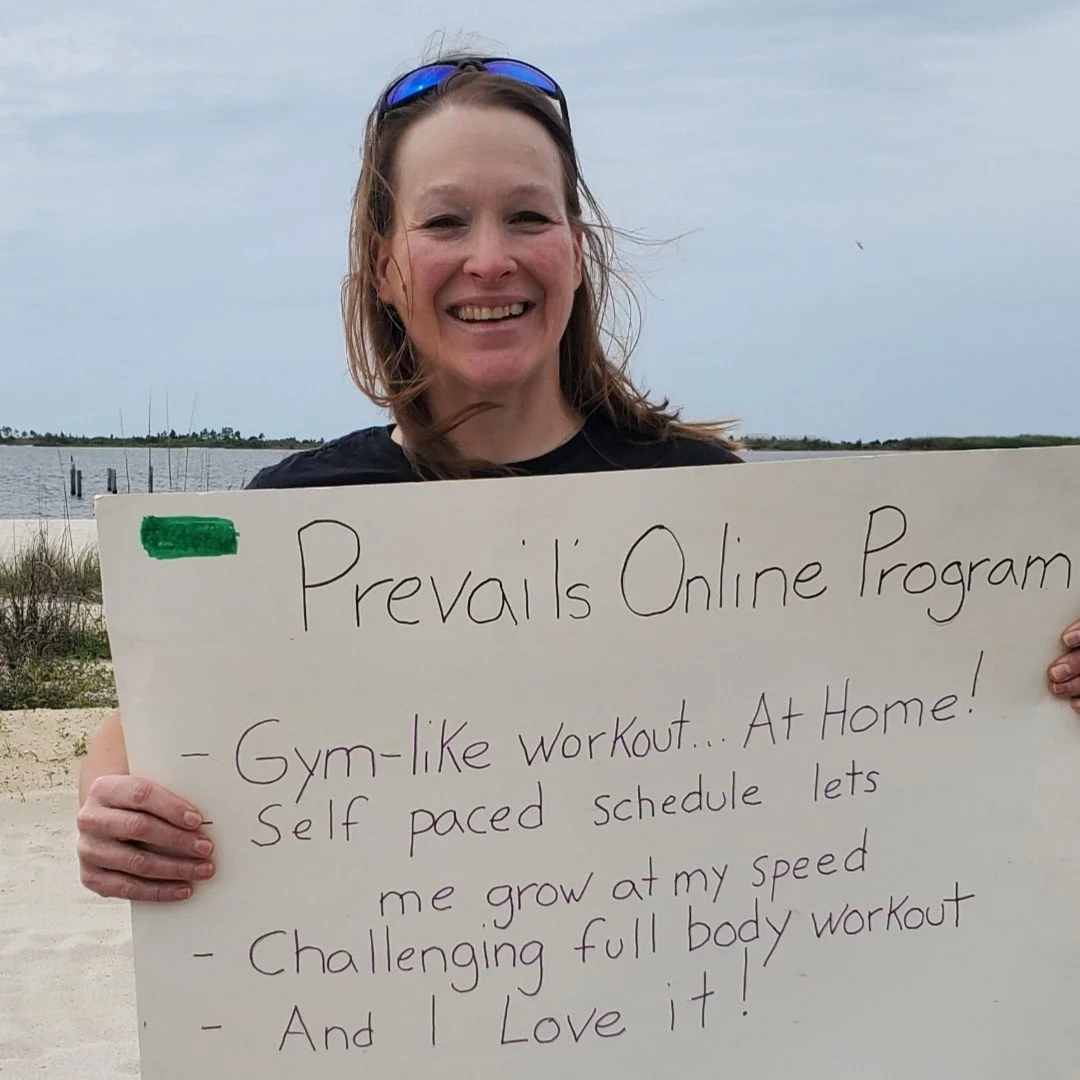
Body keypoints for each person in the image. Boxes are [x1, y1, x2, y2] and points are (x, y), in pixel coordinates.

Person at [76, 52, 1080, 903]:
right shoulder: (295, 518)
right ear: (384, 265)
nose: (490, 259)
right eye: (443, 223)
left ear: (578, 251)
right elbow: (148, 735)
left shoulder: (713, 502)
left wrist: (1051, 677)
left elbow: (898, 716)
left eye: (527, 216)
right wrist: (112, 815)